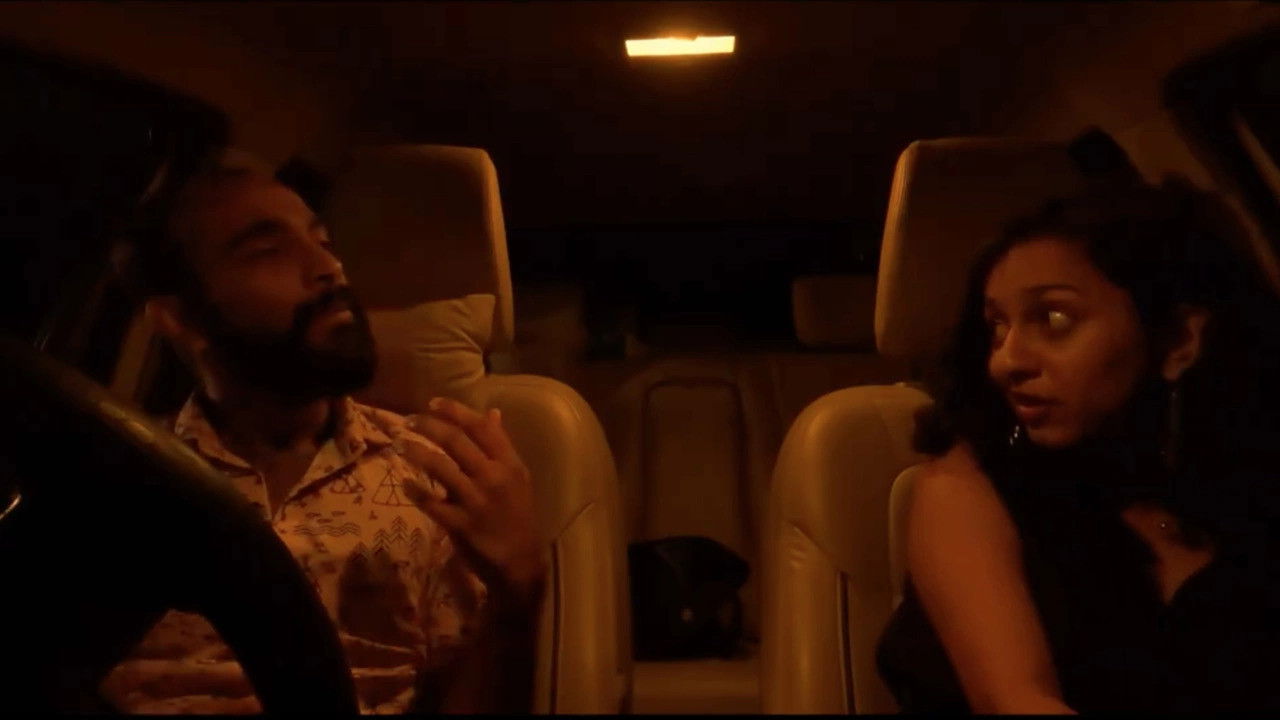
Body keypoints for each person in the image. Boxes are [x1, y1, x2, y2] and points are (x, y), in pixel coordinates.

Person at [100, 153, 547, 714]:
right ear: (179, 319)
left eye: (325, 242)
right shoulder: (117, 479)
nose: (328, 267)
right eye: (269, 251)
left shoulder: (432, 478)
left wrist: (518, 591)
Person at [875, 177, 1280, 713]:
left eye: (1053, 320)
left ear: (1181, 338)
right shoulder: (966, 488)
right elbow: (1017, 701)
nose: (1006, 361)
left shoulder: (1246, 492)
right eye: (997, 327)